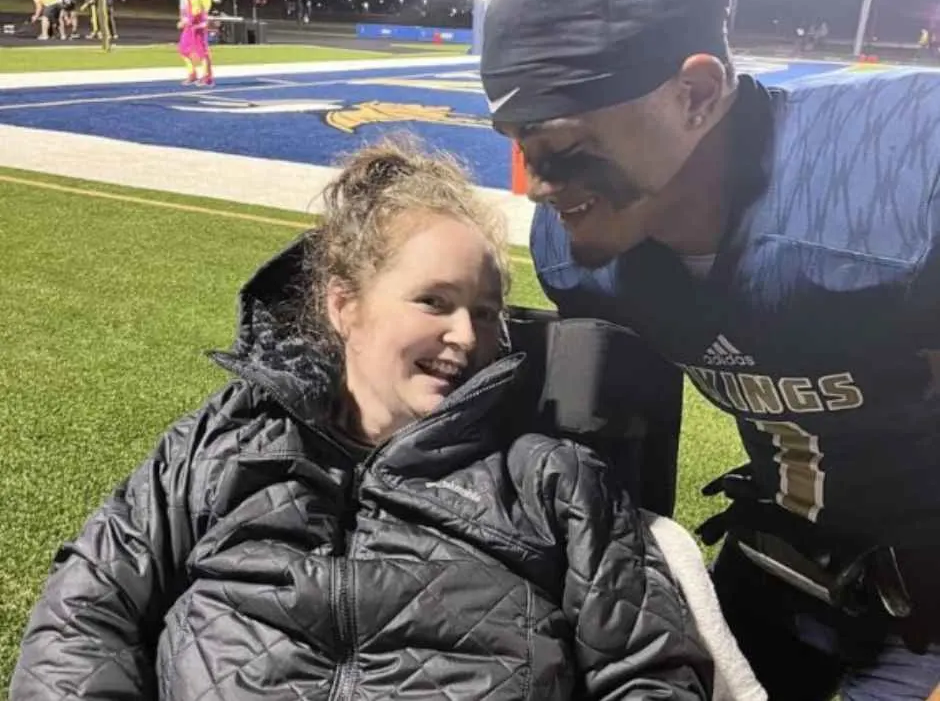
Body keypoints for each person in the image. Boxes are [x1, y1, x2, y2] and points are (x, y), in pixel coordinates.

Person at [11, 136, 716, 699]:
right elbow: (85, 613)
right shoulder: (222, 442)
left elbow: (650, 671)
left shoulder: (552, 479)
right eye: (434, 302)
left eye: (486, 311)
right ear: (344, 305)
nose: (466, 337)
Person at [479, 0, 940, 698]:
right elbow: (614, 461)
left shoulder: (899, 186)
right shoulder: (586, 259)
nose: (541, 184)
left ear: (694, 93)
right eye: (521, 144)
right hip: (780, 569)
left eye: (559, 144)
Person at [174, 0, 213, 87]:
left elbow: (196, 9)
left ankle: (207, 77)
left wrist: (187, 21)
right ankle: (192, 74)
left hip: (197, 24)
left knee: (201, 50)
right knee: (183, 49)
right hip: (190, 24)